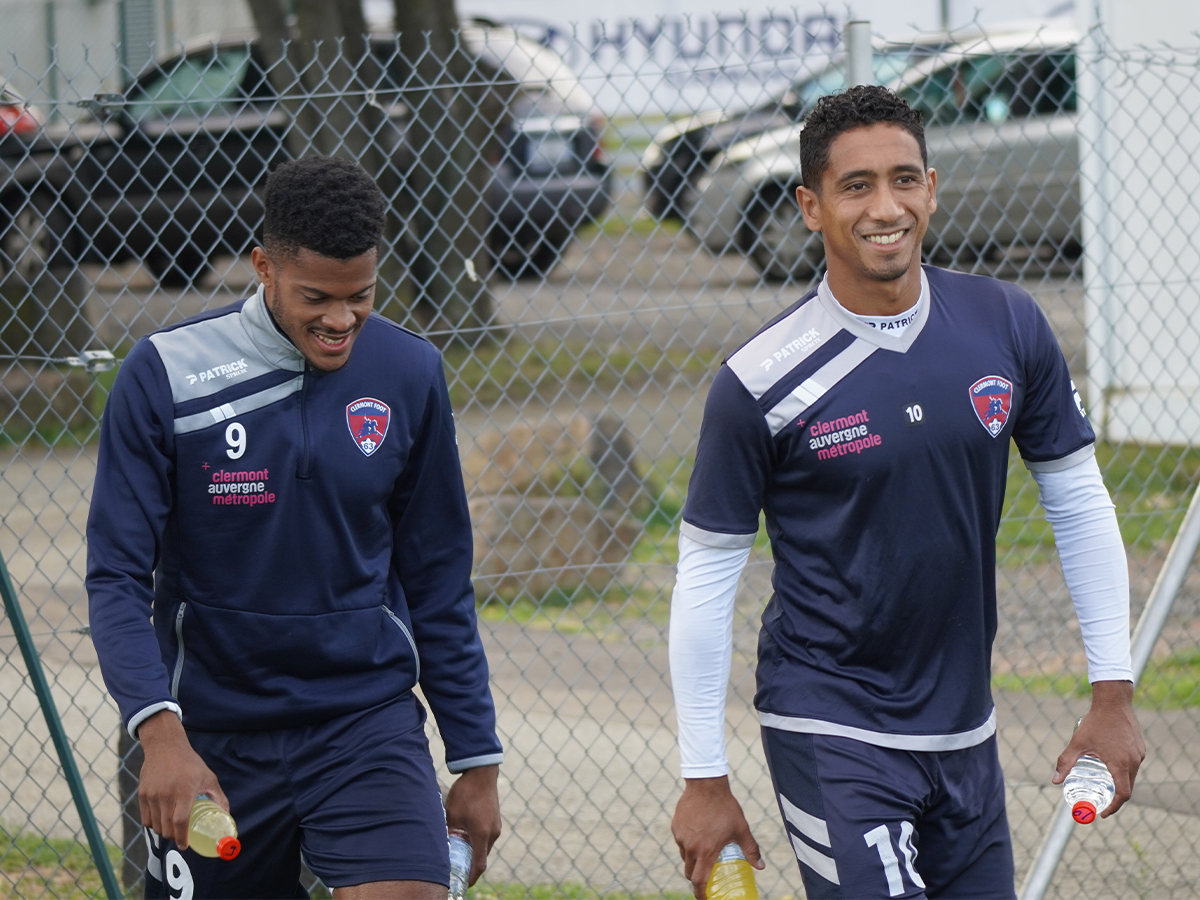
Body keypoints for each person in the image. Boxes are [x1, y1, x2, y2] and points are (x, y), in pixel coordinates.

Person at [667, 85, 1146, 900]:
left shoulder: (1007, 324)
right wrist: (702, 776)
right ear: (811, 207)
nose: (885, 206)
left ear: (931, 187)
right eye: (857, 186)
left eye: (903, 179)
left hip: (966, 729)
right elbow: (707, 576)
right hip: (829, 722)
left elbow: (1077, 502)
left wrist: (1114, 694)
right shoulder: (759, 382)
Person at [87, 155, 503, 899]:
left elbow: (438, 576)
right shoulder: (165, 374)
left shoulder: (409, 373)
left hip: (364, 722)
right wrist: (159, 734)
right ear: (263, 268)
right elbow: (116, 577)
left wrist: (476, 758)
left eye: (361, 296)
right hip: (212, 734)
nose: (341, 320)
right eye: (317, 297)